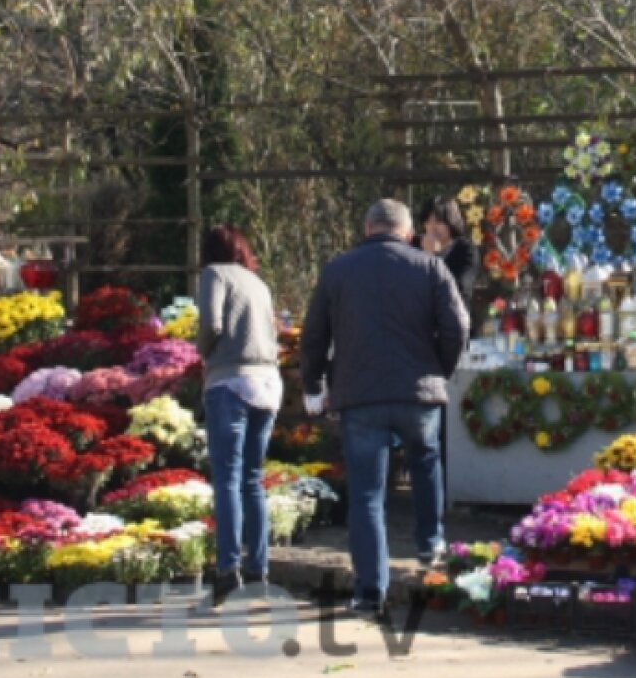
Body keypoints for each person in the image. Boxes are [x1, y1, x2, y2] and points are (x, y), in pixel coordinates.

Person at [301, 198, 470, 619]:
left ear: (367, 228)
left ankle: (369, 591)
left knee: (367, 495)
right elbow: (459, 326)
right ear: (409, 231)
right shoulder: (430, 268)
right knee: (426, 459)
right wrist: (440, 369)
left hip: (360, 395)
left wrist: (312, 386)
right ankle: (430, 544)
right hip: (419, 392)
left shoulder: (338, 270)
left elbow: (314, 335)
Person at [196, 225, 282, 605]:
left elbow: (212, 324)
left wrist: (202, 353)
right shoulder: (257, 283)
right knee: (252, 478)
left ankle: (227, 568)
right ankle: (258, 566)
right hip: (268, 384)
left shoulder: (213, 275)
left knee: (227, 478)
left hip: (229, 382)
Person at [419, 194, 481, 317]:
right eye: (427, 222)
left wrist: (432, 257)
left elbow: (461, 287)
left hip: (454, 317)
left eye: (438, 222)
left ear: (451, 222)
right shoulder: (415, 247)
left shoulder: (466, 250)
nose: (432, 228)